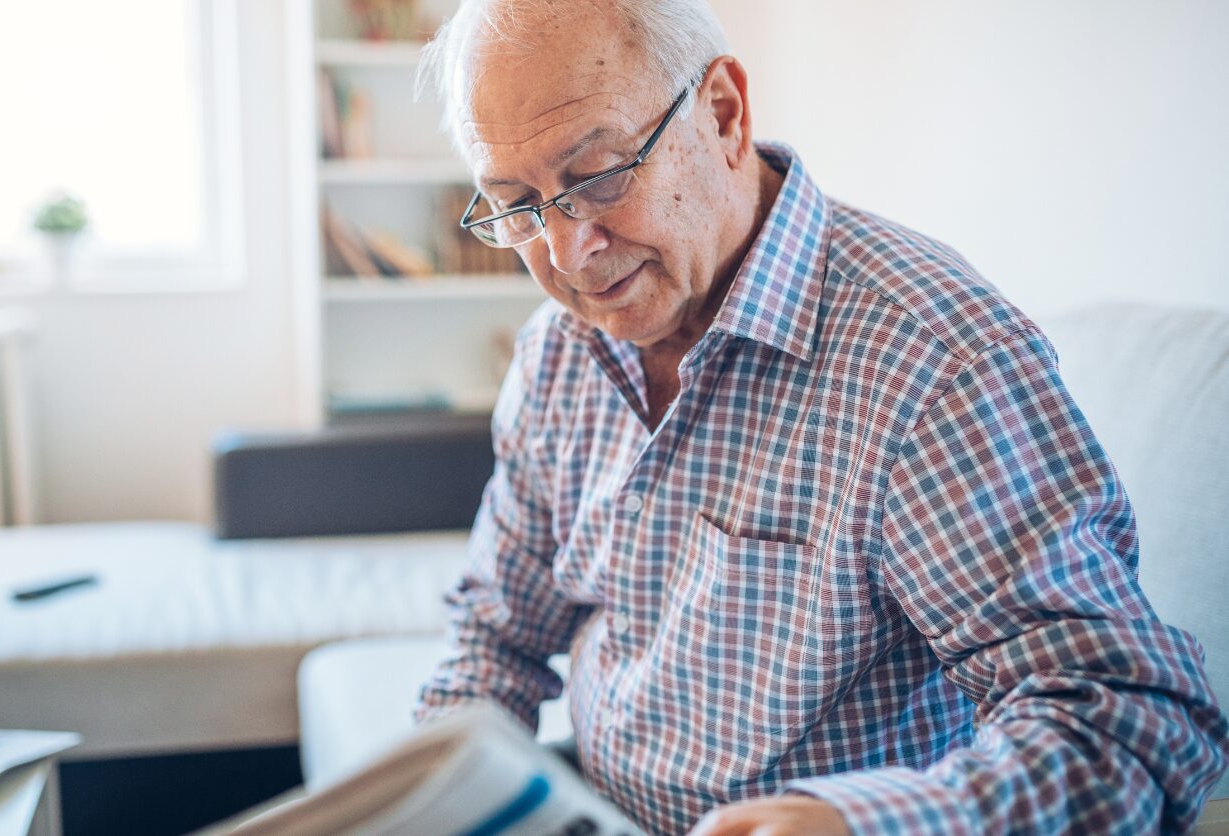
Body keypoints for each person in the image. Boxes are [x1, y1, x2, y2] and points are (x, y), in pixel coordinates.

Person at [411, 1, 1228, 833]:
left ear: (723, 116)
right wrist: (430, 800)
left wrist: (858, 825)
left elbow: (1131, 724)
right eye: (516, 203)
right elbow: (495, 636)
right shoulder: (557, 352)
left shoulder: (932, 360)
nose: (566, 251)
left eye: (599, 175)